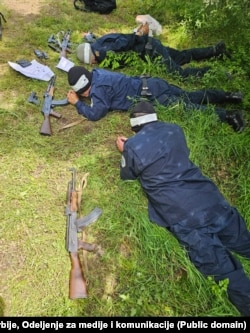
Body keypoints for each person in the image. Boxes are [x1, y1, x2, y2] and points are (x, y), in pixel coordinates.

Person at [115, 101, 250, 316]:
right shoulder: (175, 129)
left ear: (134, 126)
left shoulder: (133, 146)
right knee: (243, 240)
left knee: (221, 268)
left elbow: (127, 175)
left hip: (182, 214)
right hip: (210, 199)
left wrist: (124, 149)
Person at [67, 66, 245, 132]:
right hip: (152, 82)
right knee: (190, 96)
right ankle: (228, 95)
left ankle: (229, 115)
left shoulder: (98, 91)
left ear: (84, 91)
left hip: (153, 95)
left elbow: (96, 113)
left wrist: (77, 104)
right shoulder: (98, 73)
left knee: (188, 107)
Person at [76, 30, 229, 78]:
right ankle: (216, 50)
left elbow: (127, 42)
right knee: (182, 56)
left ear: (91, 55)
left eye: (91, 61)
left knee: (178, 74)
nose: (92, 64)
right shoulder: (101, 41)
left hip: (150, 50)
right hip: (150, 43)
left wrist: (137, 35)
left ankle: (219, 74)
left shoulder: (103, 52)